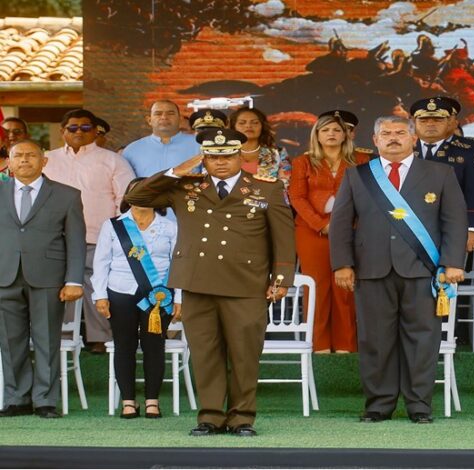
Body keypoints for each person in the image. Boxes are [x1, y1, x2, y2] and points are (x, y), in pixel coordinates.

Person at [124, 128, 296, 437]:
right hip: (197, 282)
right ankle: (211, 417)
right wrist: (176, 171)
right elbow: (136, 196)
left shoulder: (266, 188)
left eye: (227, 155)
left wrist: (281, 279)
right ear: (204, 156)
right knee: (205, 353)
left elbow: (283, 238)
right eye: (213, 156)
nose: (220, 162)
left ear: (239, 156)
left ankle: (242, 418)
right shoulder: (185, 186)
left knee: (244, 355)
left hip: (246, 284)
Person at [329, 116, 467, 424]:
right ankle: (378, 405)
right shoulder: (358, 176)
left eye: (400, 133)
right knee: (375, 340)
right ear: (375, 140)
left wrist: (453, 262)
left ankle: (419, 406)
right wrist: (342, 264)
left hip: (422, 270)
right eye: (386, 134)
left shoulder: (440, 173)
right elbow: (340, 224)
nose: (393, 138)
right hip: (371, 269)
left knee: (422, 341)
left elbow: (454, 221)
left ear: (414, 138)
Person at [0, 140, 86, 419]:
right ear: (9, 163)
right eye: (18, 156)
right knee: (10, 341)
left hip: (49, 278)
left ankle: (45, 400)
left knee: (47, 339)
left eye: (31, 155)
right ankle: (16, 398)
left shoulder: (66, 195)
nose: (24, 160)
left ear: (44, 161)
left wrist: (74, 279)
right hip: (4, 276)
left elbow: (75, 241)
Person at [44, 109, 136, 354]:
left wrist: (119, 234)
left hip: (99, 235)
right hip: (55, 238)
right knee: (58, 287)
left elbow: (125, 199)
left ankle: (100, 339)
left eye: (85, 127)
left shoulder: (113, 160)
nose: (78, 132)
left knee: (98, 287)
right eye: (72, 127)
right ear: (62, 131)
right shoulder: (47, 159)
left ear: (96, 131)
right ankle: (62, 337)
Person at [91, 178, 182, 419]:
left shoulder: (170, 227)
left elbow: (178, 265)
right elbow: (101, 262)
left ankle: (152, 400)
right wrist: (100, 295)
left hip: (159, 296)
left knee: (154, 346)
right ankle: (128, 401)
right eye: (137, 191)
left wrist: (179, 297)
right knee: (125, 346)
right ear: (128, 196)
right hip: (119, 292)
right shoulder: (113, 226)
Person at [289, 115, 368, 354]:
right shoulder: (303, 162)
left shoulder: (361, 160)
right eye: (325, 130)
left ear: (346, 134)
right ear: (317, 135)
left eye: (337, 129)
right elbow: (297, 197)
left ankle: (346, 345)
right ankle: (319, 346)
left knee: (345, 287)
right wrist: (321, 224)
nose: (331, 134)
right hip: (311, 232)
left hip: (351, 232)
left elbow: (366, 197)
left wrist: (344, 226)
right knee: (316, 287)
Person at [410, 97, 474, 252]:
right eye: (424, 120)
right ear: (414, 122)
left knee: (452, 274)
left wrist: (473, 229)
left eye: (438, 119)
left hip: (451, 228)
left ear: (449, 121)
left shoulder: (467, 152)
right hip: (409, 226)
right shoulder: (402, 150)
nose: (430, 124)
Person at [122, 100, 201, 179]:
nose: (164, 117)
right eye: (158, 114)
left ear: (180, 119)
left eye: (170, 113)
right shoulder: (132, 150)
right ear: (149, 120)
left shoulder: (199, 145)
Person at [228, 107, 292, 188]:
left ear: (262, 127)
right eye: (242, 123)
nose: (248, 126)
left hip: (269, 199)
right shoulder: (223, 153)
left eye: (255, 123)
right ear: (233, 127)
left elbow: (286, 184)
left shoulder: (278, 153)